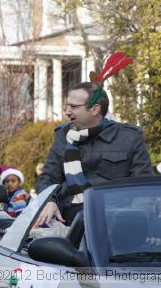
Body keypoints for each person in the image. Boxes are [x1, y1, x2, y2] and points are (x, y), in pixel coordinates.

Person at [35, 81, 152, 226]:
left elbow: (144, 186)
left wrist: (137, 221)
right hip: (71, 221)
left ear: (95, 109)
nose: (67, 112)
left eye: (74, 107)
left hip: (118, 220)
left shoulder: (129, 138)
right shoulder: (62, 135)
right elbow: (48, 178)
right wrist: (49, 201)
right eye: (67, 106)